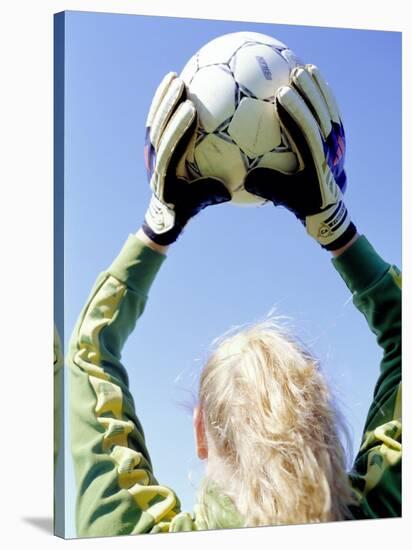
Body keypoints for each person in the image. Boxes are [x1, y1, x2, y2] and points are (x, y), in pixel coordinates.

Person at [68, 65, 401, 537]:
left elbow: (88, 353)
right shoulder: (385, 517)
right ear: (324, 421)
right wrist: (335, 227)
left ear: (201, 431)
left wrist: (157, 227)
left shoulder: (133, 533)